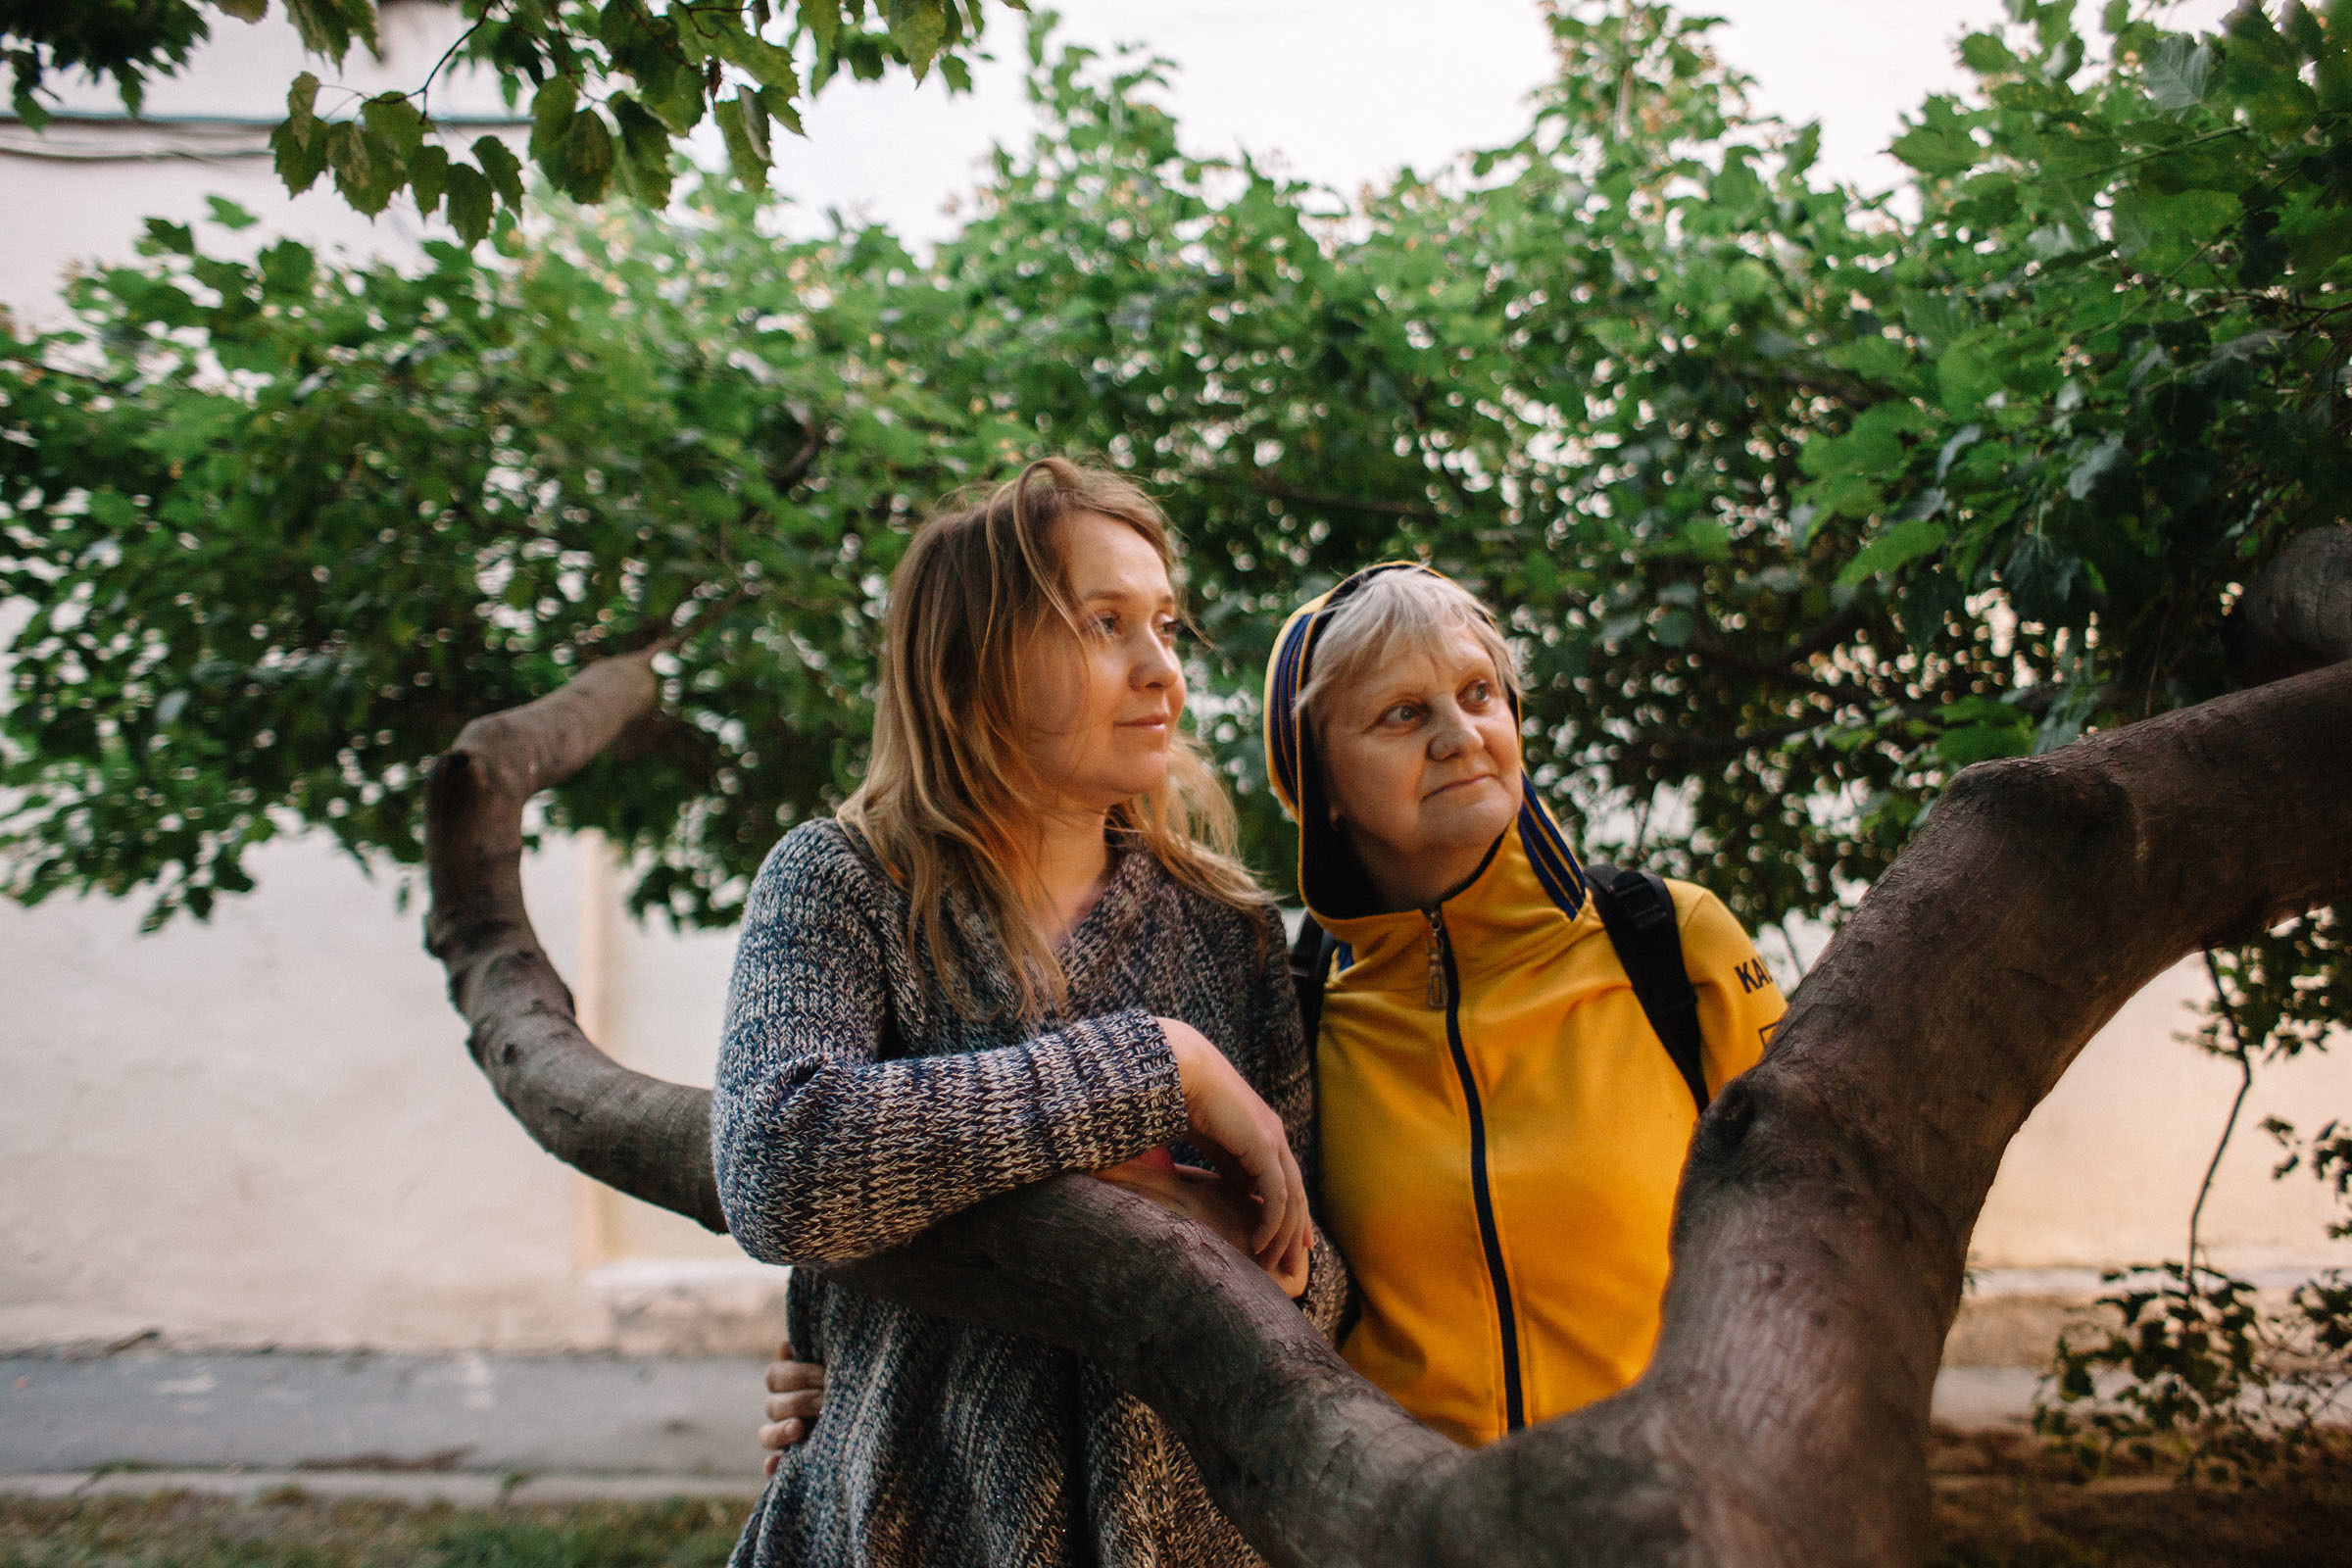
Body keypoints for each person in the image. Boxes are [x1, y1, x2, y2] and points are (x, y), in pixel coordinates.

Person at [756, 560, 1787, 1460]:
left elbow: (1819, 1241)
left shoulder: (1670, 942)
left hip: (1668, 1518)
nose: (1462, 734)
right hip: (1396, 1534)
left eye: (1481, 693)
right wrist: (854, 1346)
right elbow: (1299, 1297)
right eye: (1403, 713)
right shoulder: (1303, 995)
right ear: (1321, 783)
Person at [713, 457, 1344, 1568]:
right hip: (897, 1534)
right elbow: (779, 1164)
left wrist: (1193, 1218)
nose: (1164, 671)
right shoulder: (842, 884)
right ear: (976, 662)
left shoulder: (1224, 927)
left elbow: (1320, 1287)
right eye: (1106, 623)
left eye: (1164, 623)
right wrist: (1160, 1065)